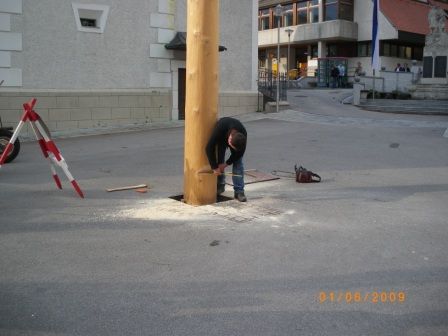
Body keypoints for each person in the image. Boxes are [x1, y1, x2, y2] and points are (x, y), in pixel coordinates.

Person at [205, 117, 247, 202]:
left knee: (238, 163)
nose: (233, 150)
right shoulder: (220, 128)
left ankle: (239, 192)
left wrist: (226, 164)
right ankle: (220, 184)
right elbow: (209, 148)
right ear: (230, 139)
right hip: (222, 135)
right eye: (232, 147)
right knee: (219, 161)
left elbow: (238, 154)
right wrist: (214, 167)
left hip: (233, 137)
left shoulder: (243, 135)